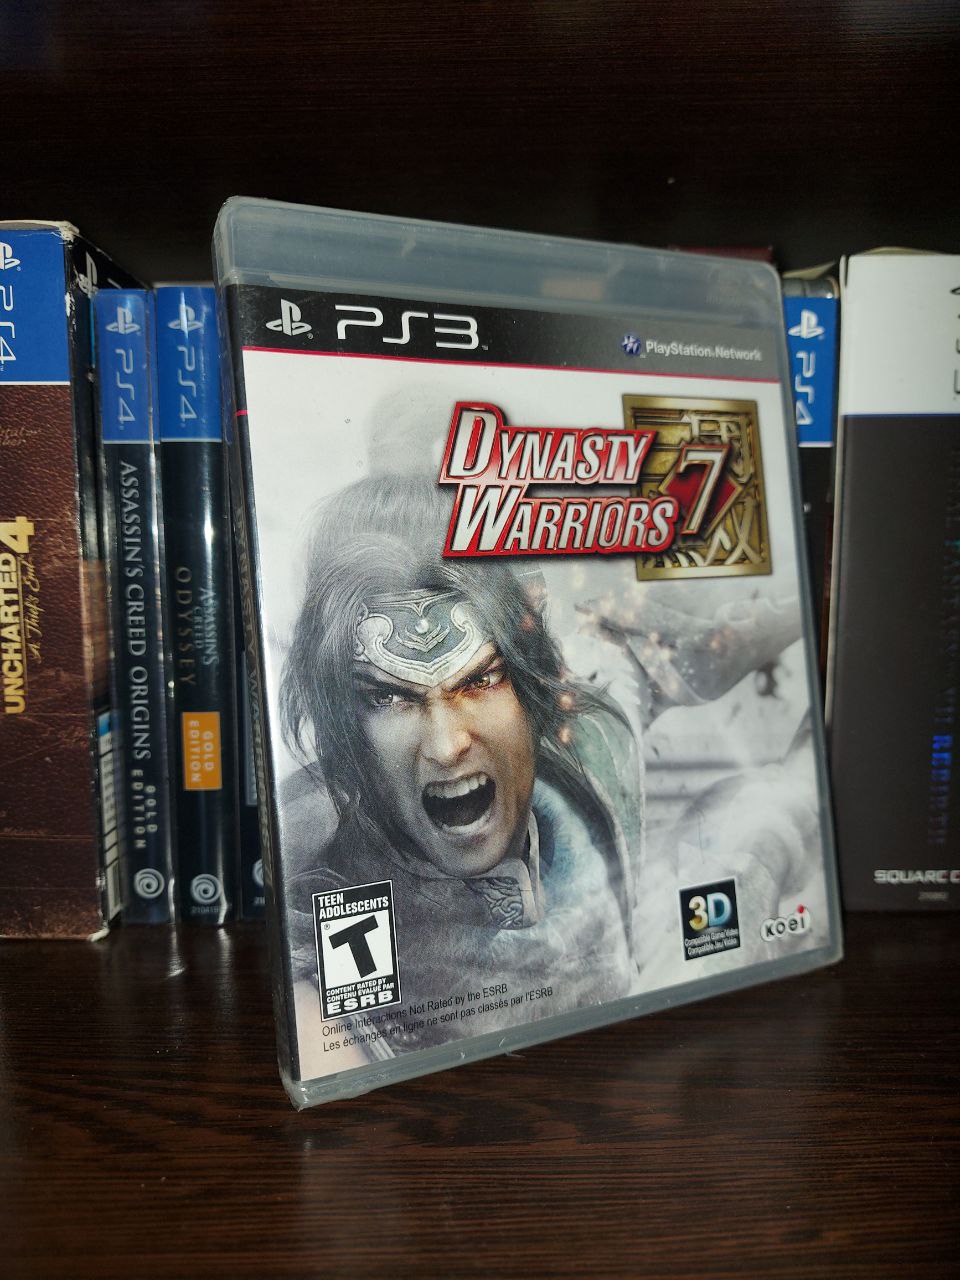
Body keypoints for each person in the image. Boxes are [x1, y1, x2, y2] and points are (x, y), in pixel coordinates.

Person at [280, 473, 819, 1064]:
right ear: (343, 724)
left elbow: (647, 664)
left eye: (479, 680)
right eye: (389, 698)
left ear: (528, 687)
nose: (446, 744)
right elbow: (318, 1029)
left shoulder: (593, 738)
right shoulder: (317, 882)